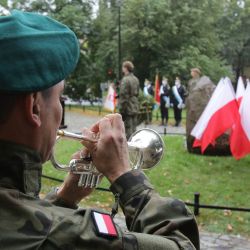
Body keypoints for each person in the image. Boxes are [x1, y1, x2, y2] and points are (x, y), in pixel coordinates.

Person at [0, 11, 200, 249]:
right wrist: (124, 176)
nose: (60, 107)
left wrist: (65, 197)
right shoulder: (67, 234)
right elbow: (183, 244)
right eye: (59, 97)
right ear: (34, 105)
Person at [119, 61, 140, 139]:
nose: (122, 69)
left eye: (123, 67)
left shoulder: (125, 79)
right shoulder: (136, 79)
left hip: (127, 107)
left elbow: (123, 95)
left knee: (128, 130)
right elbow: (137, 93)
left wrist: (121, 110)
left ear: (126, 68)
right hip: (135, 105)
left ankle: (128, 149)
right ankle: (135, 146)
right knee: (134, 128)